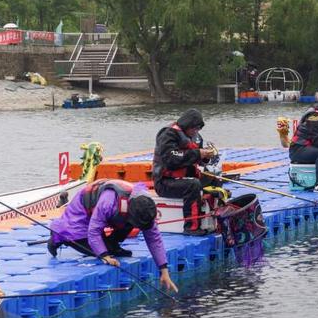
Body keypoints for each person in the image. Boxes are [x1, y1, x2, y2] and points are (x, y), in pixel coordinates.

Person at [48, 179, 178, 293]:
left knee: (123, 229)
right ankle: (56, 237)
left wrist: (164, 270)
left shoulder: (145, 208)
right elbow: (93, 231)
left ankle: (112, 246)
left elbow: (154, 239)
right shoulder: (109, 202)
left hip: (108, 216)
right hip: (80, 218)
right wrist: (104, 256)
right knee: (91, 246)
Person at [152, 109, 218, 235]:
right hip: (165, 182)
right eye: (194, 128)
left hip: (185, 177)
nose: (196, 132)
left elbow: (197, 159)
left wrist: (206, 156)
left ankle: (213, 217)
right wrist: (198, 153)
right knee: (193, 185)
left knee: (214, 179)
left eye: (198, 129)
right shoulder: (168, 134)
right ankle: (191, 227)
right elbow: (170, 159)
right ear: (187, 125)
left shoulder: (196, 137)